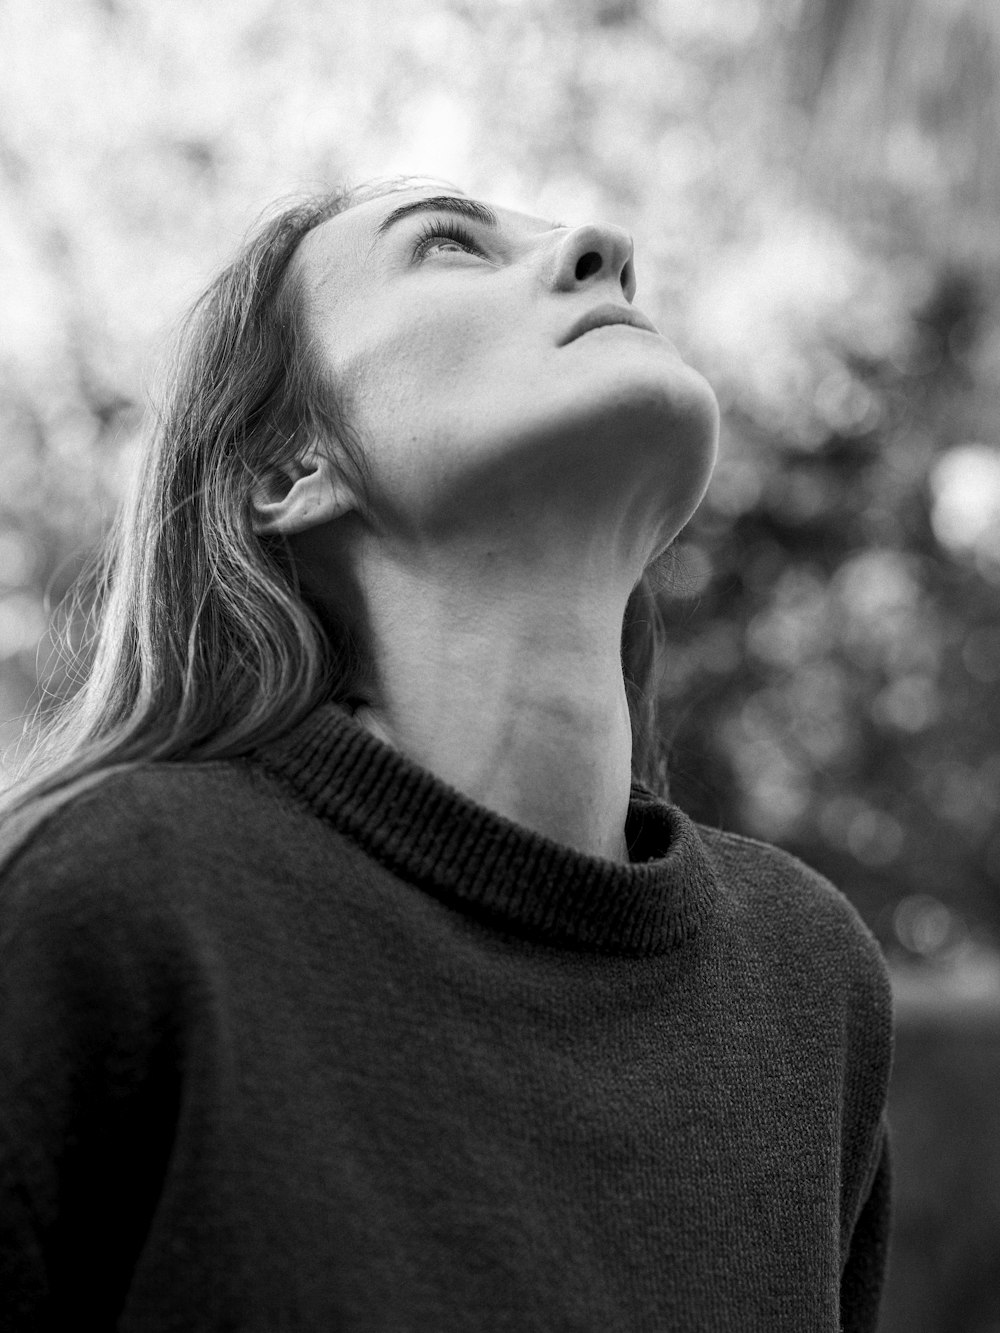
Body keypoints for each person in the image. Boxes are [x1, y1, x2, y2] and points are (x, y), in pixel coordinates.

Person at [0, 176, 893, 1331]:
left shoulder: (805, 973)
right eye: (450, 248)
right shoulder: (106, 900)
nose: (602, 247)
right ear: (288, 470)